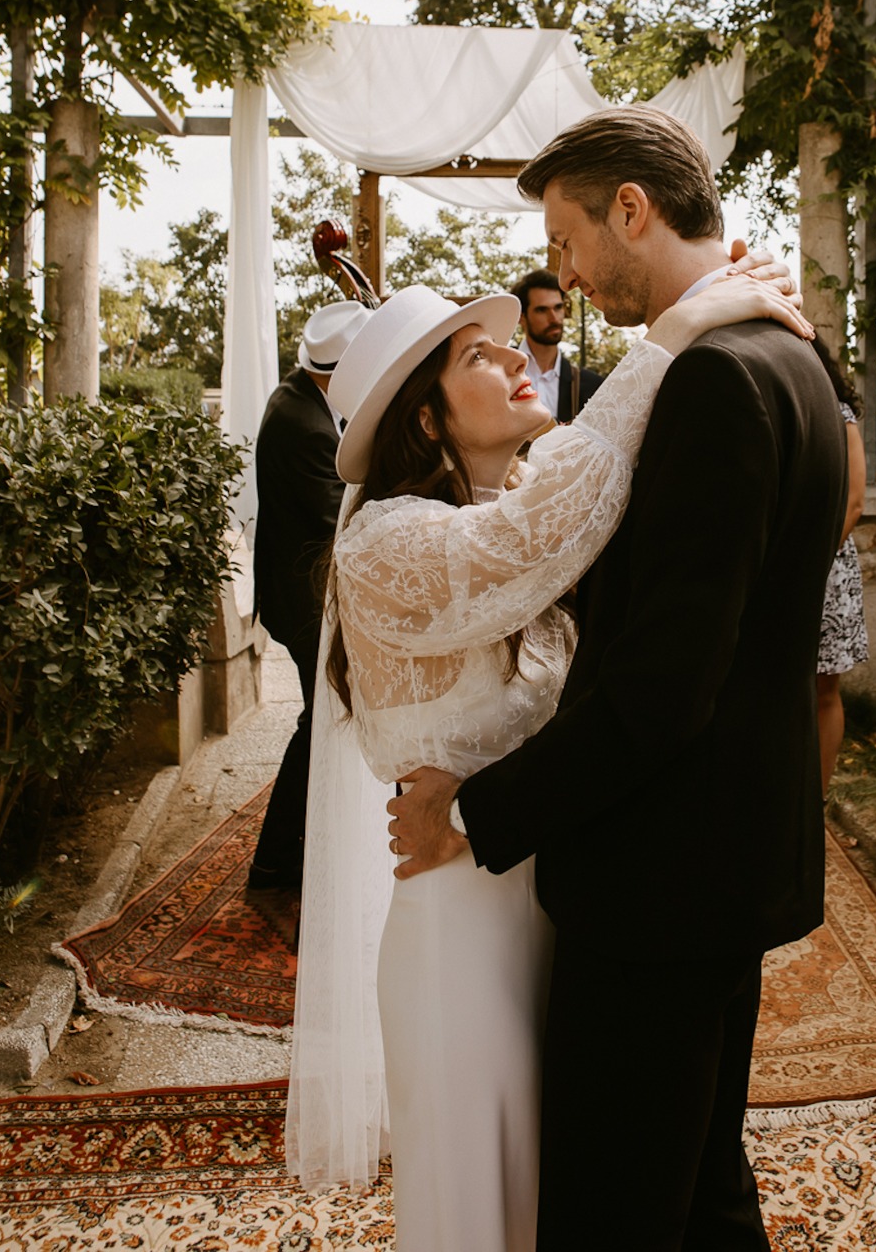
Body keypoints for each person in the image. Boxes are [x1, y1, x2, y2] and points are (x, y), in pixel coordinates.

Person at [390, 106, 849, 1252]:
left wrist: (482, 811)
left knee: (614, 1203)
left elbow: (660, 691)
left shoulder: (712, 381)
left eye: (565, 241)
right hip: (728, 857)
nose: (564, 275)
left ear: (630, 212)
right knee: (698, 1181)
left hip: (662, 875)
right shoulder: (789, 354)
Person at [286, 263, 812, 1250]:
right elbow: (531, 535)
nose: (517, 359)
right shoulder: (388, 545)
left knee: (577, 1193)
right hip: (461, 932)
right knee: (489, 1203)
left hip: (566, 903)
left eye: (508, 345)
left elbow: (591, 524)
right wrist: (677, 327)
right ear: (429, 422)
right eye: (478, 357)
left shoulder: (541, 502)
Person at [246, 301, 366, 938]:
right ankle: (272, 868)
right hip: (303, 601)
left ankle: (297, 855)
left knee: (323, 722)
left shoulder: (305, 397)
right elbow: (335, 523)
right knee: (319, 725)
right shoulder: (306, 425)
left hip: (302, 592)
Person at [811, 342, 870, 799]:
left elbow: (853, 503)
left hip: (826, 570)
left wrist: (806, 558)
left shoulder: (840, 414)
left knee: (824, 690)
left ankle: (816, 797)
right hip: (777, 563)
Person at [511, 267, 603, 422]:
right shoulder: (501, 374)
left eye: (558, 307)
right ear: (521, 317)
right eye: (542, 310)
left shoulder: (591, 386)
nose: (554, 318)